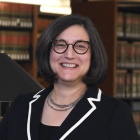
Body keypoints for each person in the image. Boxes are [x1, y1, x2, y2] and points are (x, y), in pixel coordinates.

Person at [0, 14, 139, 140]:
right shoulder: (21, 105)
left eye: (80, 46)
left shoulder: (114, 112)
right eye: (60, 45)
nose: (69, 55)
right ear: (47, 51)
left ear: (93, 55)